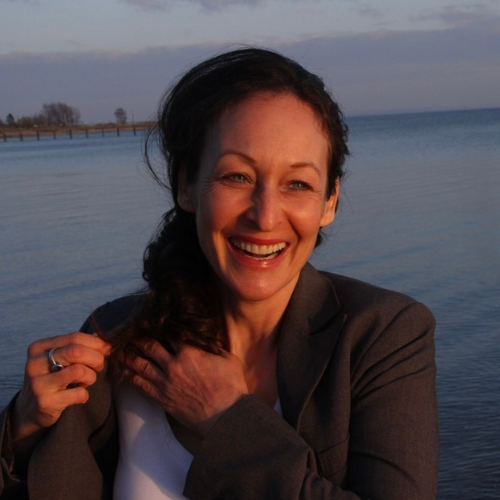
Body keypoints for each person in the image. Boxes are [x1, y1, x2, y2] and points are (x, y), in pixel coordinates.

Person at [0, 48, 439, 500]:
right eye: (237, 177)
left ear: (330, 201)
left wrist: (228, 418)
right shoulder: (117, 339)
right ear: (186, 185)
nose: (265, 217)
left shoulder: (382, 335)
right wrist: (23, 432)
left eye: (298, 184)